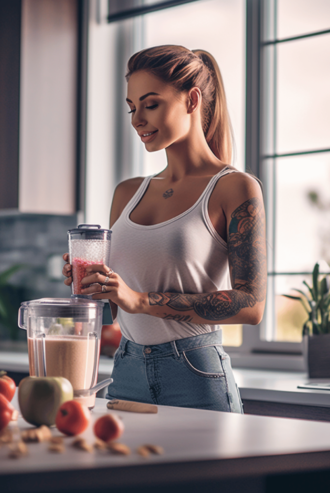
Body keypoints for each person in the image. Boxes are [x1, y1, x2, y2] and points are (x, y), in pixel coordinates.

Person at [63, 45, 266, 413]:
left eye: (150, 104)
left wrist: (140, 300)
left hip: (194, 372)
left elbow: (251, 305)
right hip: (124, 369)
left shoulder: (234, 187)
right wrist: (97, 284)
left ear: (191, 100)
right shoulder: (127, 192)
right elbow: (119, 303)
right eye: (131, 107)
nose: (136, 119)